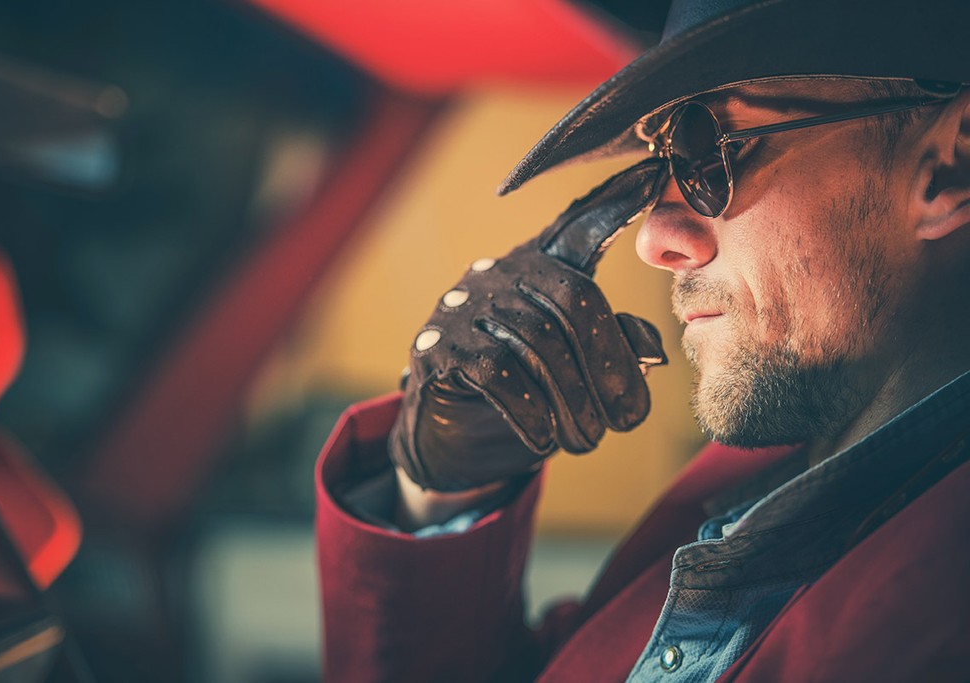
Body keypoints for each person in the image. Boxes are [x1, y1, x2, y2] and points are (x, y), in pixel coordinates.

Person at [315, 0, 970, 680]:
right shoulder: (746, 495)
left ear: (951, 164)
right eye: (665, 158)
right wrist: (444, 492)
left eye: (715, 148)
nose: (655, 241)